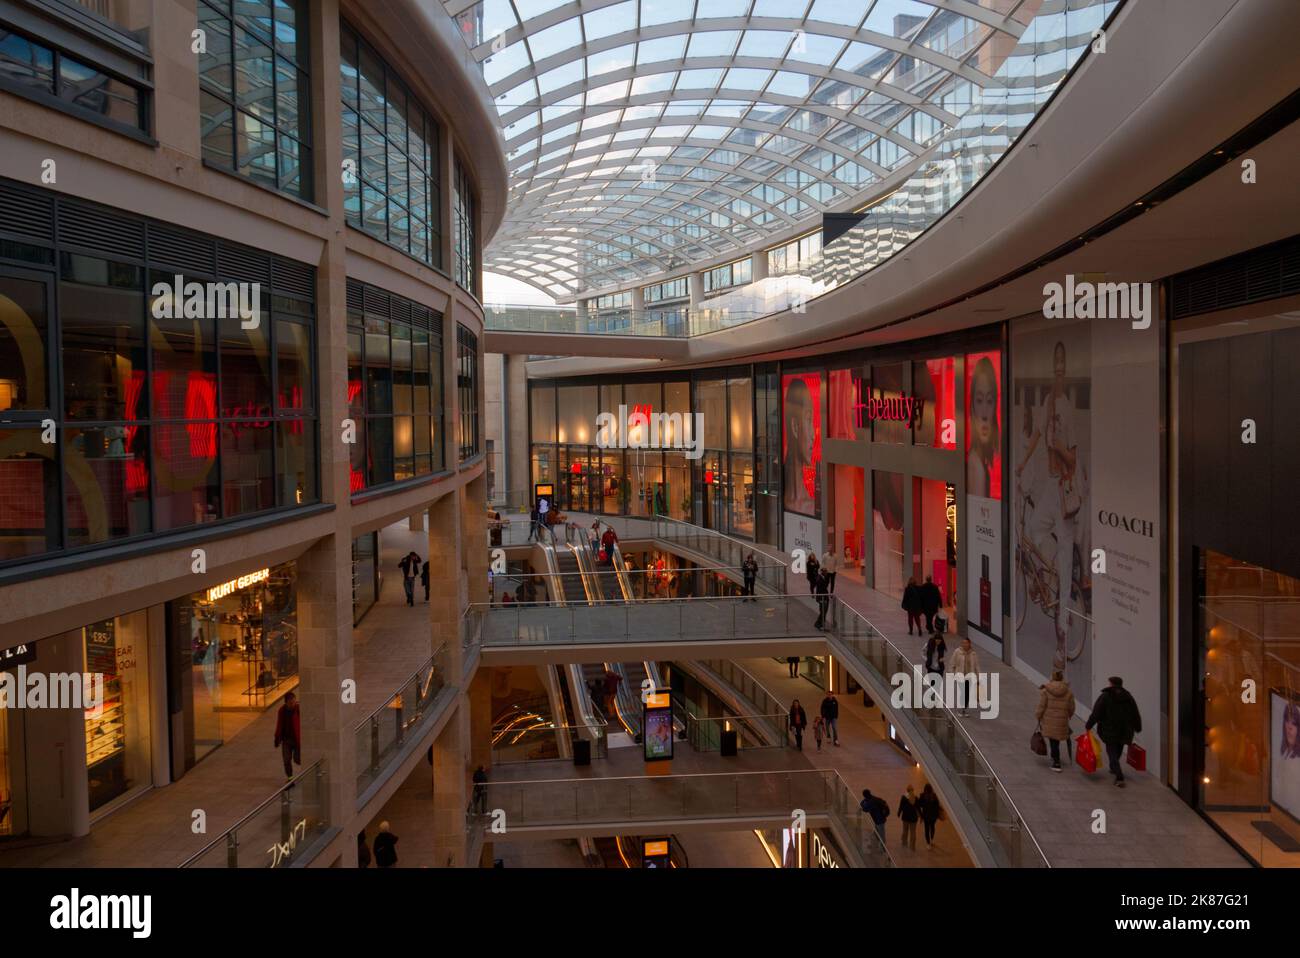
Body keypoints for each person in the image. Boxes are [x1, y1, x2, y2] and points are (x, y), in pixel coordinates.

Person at [1086, 675, 1142, 787]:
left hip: (1110, 729)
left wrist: (1089, 724)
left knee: (1111, 753)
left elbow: (1097, 712)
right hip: (1125, 730)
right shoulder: (1128, 697)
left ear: (1111, 684)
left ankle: (1119, 776)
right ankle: (1113, 767)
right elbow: (1135, 713)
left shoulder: (1106, 696)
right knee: (1118, 750)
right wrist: (1138, 727)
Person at [967, 355, 1001, 498]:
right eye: (979, 401)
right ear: (972, 407)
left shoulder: (978, 460)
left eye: (990, 401)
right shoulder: (976, 466)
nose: (985, 414)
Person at [782, 377, 817, 514]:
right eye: (809, 420)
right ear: (795, 427)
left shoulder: (813, 506)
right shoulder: (811, 508)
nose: (814, 435)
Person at [1035, 669, 1076, 771]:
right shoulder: (1068, 692)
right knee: (1055, 740)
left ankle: (1056, 762)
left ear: (1052, 678)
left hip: (1049, 719)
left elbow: (1042, 706)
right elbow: (1071, 707)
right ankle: (1055, 757)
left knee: (1053, 740)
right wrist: (1069, 715)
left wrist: (1038, 715)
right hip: (1062, 720)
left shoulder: (1046, 691)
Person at [949, 637, 980, 716]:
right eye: (963, 643)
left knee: (967, 693)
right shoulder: (957, 652)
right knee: (963, 692)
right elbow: (952, 663)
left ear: (969, 644)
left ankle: (964, 708)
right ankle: (962, 709)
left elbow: (976, 666)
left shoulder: (973, 653)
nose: (965, 644)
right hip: (960, 676)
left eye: (966, 643)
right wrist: (952, 674)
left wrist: (978, 677)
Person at [273, 691, 301, 778]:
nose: (293, 704)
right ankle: (290, 779)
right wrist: (277, 737)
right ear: (286, 703)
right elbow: (279, 724)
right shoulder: (282, 711)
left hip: (297, 739)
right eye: (291, 702)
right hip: (286, 740)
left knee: (297, 760)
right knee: (286, 760)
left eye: (294, 702)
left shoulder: (298, 709)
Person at [917, 784, 942, 849]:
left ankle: (928, 844)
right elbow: (937, 806)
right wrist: (937, 815)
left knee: (926, 829)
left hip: (926, 816)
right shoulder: (934, 796)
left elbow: (919, 804)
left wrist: (921, 814)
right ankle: (932, 839)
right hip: (933, 816)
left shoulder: (922, 796)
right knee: (932, 827)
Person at [898, 785, 920, 851]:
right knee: (913, 832)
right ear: (913, 790)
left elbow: (901, 806)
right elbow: (918, 808)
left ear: (907, 790)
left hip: (905, 817)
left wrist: (899, 813)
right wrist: (921, 816)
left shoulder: (904, 797)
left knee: (905, 830)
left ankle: (904, 842)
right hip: (913, 818)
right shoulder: (916, 798)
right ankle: (912, 847)